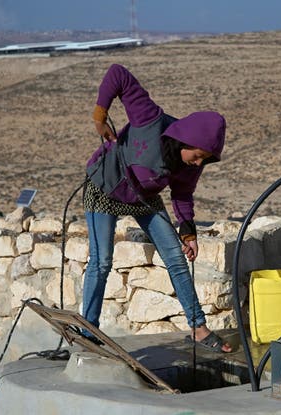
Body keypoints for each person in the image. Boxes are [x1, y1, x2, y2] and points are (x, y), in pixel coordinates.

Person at [82, 63, 232, 353]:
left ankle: (198, 328)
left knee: (176, 256)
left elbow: (183, 195)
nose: (199, 163)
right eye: (199, 155)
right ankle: (88, 332)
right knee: (101, 262)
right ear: (186, 140)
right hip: (105, 184)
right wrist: (100, 113)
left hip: (142, 195)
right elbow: (118, 74)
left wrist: (188, 231)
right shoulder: (150, 120)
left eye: (205, 159)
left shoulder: (190, 165)